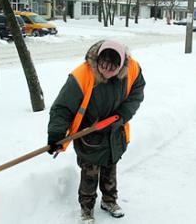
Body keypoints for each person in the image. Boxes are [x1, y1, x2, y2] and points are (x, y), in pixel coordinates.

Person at [47, 40, 145, 224]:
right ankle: (86, 209)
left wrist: (122, 115)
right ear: (97, 60)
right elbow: (62, 108)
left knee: (110, 167)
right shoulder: (82, 75)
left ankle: (109, 201)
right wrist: (56, 135)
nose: (106, 72)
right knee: (90, 173)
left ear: (121, 65)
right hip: (88, 133)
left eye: (112, 69)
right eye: (102, 66)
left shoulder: (132, 69)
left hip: (114, 130)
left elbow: (137, 93)